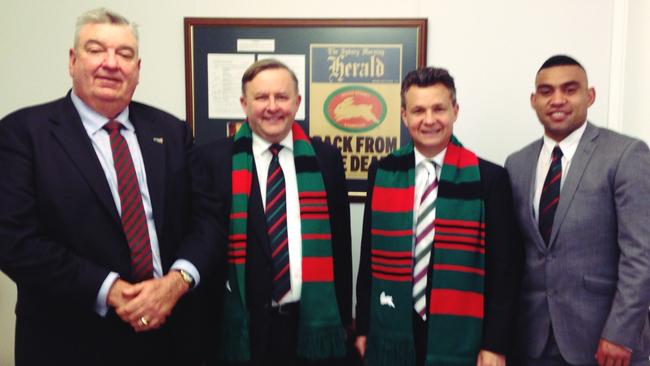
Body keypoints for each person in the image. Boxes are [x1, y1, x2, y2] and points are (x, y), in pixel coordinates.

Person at [0, 8, 204, 366]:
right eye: (96, 50)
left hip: (169, 334)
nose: (111, 63)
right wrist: (109, 289)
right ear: (72, 59)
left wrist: (176, 281)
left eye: (124, 54)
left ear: (137, 69)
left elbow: (207, 221)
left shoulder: (172, 132)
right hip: (68, 340)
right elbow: (13, 240)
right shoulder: (22, 133)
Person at [189, 58, 352, 365]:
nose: (272, 106)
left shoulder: (326, 159)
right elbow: (203, 242)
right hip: (243, 328)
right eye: (261, 97)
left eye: (282, 96)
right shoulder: (211, 160)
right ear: (244, 103)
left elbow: (341, 246)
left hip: (311, 323)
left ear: (298, 102)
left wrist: (344, 320)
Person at [355, 67, 520, 366]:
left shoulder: (489, 179)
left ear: (455, 111)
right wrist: (364, 327)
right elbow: (368, 258)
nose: (429, 120)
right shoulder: (381, 172)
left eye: (438, 109)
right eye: (418, 110)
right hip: (393, 325)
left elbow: (504, 271)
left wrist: (495, 344)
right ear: (404, 116)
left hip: (462, 331)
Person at [505, 54, 650, 365]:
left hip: (604, 342)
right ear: (533, 100)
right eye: (546, 91)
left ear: (590, 95)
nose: (557, 99)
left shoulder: (625, 155)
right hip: (531, 343)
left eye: (570, 89)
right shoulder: (517, 164)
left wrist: (621, 332)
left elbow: (641, 254)